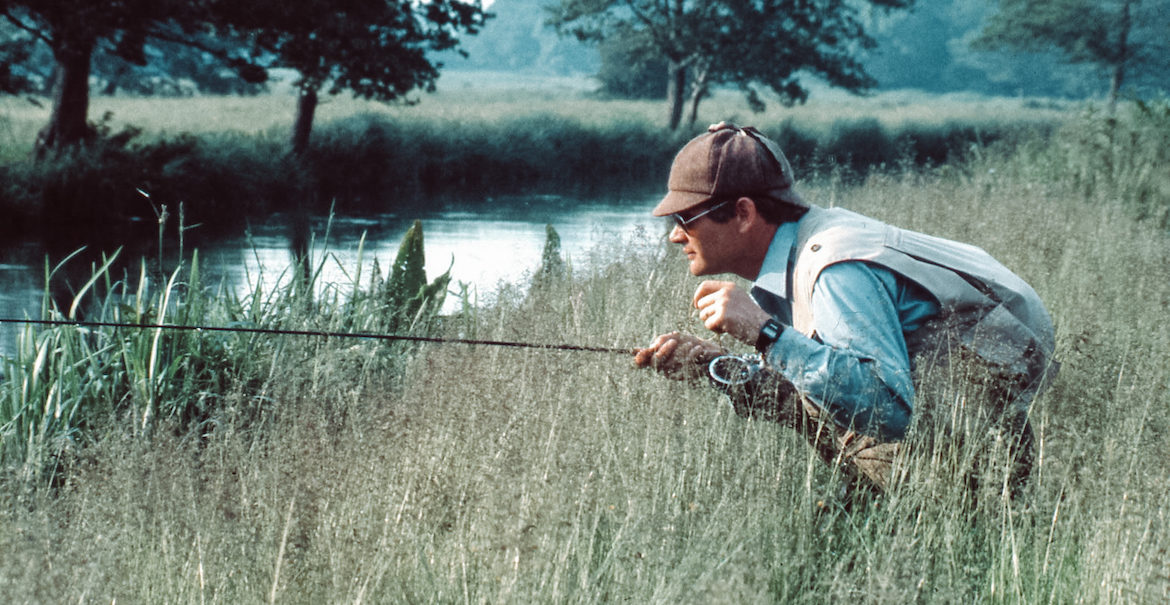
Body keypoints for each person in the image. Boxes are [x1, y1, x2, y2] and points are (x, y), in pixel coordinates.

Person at [633, 122, 1058, 494]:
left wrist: (762, 331)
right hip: (964, 426)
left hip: (982, 459)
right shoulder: (805, 244)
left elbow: (889, 409)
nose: (675, 236)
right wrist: (717, 365)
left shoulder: (835, 269)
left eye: (685, 218)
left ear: (743, 212)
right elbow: (816, 370)